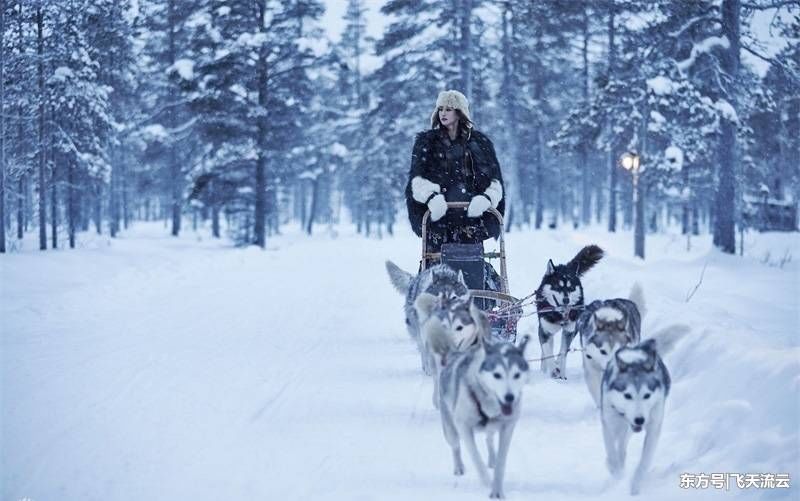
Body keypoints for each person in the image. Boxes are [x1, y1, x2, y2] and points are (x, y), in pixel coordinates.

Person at [405, 90, 506, 262]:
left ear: (460, 113)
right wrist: (431, 197)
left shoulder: (479, 143)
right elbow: (417, 179)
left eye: (449, 109)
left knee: (472, 267)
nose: (443, 113)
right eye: (441, 109)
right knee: (435, 269)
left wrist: (486, 199)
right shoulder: (426, 143)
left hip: (471, 220)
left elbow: (495, 181)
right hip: (437, 221)